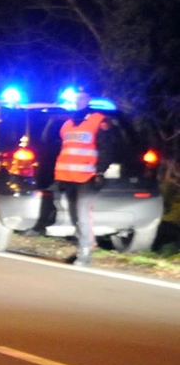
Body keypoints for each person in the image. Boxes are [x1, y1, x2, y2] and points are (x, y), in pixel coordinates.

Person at [53, 87, 106, 266]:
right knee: (74, 213)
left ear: (89, 98)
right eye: (76, 98)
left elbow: (108, 147)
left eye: (82, 97)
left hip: (87, 176)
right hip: (68, 177)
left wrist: (100, 171)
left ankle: (85, 252)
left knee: (83, 213)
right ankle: (83, 246)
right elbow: (61, 148)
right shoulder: (67, 123)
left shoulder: (98, 120)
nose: (78, 101)